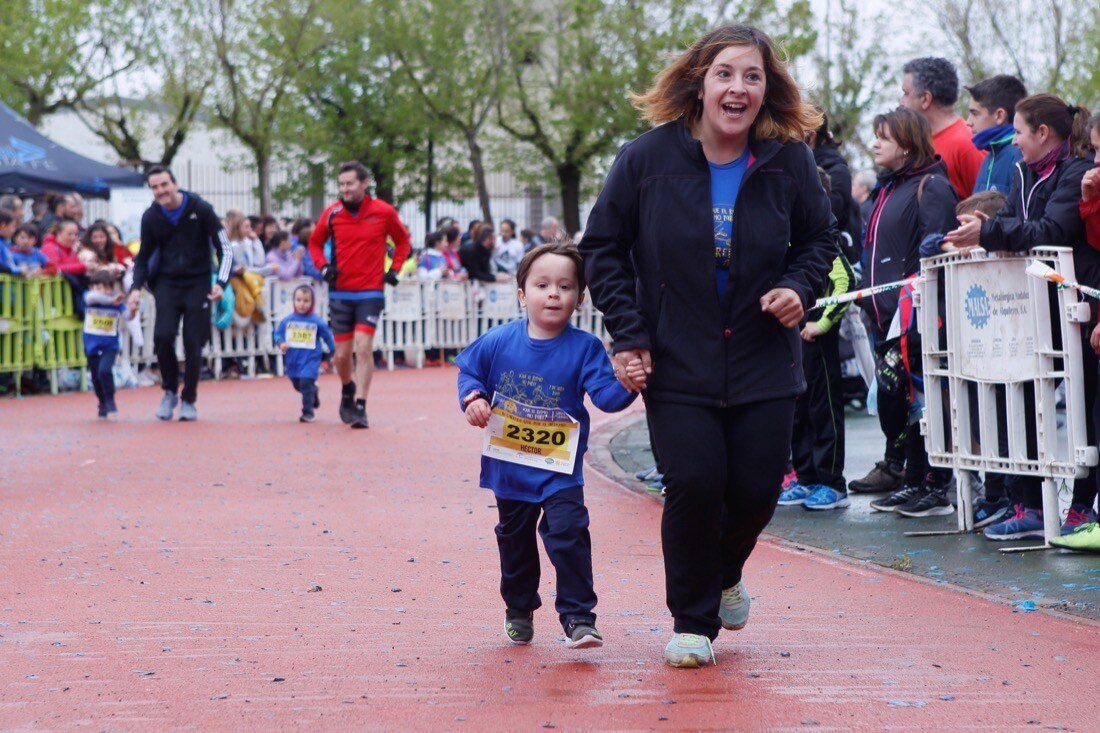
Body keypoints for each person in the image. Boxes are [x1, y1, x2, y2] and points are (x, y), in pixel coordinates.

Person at [579, 24, 835, 668]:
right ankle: (693, 621)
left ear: (767, 89)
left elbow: (818, 241)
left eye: (753, 76)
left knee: (755, 491)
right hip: (677, 354)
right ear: (700, 82)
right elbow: (603, 249)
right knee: (694, 483)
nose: (739, 88)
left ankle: (724, 575)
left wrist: (797, 286)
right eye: (726, 73)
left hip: (762, 354)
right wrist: (629, 333)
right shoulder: (646, 158)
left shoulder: (788, 159)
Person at [456, 241, 638, 650]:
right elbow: (469, 374)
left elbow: (607, 397)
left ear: (579, 298)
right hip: (510, 470)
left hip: (560, 468)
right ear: (522, 294)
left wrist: (630, 384)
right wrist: (473, 400)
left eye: (565, 286)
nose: (553, 293)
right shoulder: (499, 341)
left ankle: (578, 616)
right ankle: (519, 608)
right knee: (515, 542)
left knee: (569, 532)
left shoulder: (585, 347)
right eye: (542, 285)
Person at [944, 95, 1098, 540]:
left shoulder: (1071, 174)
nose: (1015, 140)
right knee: (1022, 402)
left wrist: (989, 232)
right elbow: (1013, 222)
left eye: (1019, 131)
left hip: (1075, 309)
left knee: (1086, 411)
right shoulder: (1020, 173)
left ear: (1043, 134)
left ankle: (1080, 507)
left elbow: (1051, 231)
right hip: (1027, 310)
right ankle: (1026, 502)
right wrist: (977, 237)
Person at [848, 108, 958, 514]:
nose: (875, 144)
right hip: (882, 317)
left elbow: (936, 248)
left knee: (921, 401)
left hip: (916, 317)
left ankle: (933, 484)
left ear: (908, 144)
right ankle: (912, 479)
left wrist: (914, 308)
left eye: (884, 137)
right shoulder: (886, 188)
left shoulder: (931, 187)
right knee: (899, 402)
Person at [307, 160, 411, 429]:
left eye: (350, 183)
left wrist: (394, 269)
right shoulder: (333, 213)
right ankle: (346, 387)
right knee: (341, 356)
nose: (345, 189)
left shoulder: (383, 212)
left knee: (363, 347)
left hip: (370, 290)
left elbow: (403, 241)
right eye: (342, 184)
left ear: (364, 184)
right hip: (341, 291)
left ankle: (362, 405)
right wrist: (323, 267)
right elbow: (314, 243)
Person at [127, 165, 234, 422]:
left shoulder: (201, 209)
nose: (160, 191)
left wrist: (221, 282)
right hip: (166, 283)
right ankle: (169, 391)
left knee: (192, 342)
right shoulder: (151, 217)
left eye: (164, 185)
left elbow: (226, 249)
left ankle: (190, 399)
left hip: (198, 282)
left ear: (175, 184)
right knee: (163, 337)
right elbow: (143, 258)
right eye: (154, 187)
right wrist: (135, 289)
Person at [779, 167, 855, 511]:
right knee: (798, 411)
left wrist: (822, 324)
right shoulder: (788, 233)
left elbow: (847, 282)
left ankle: (832, 483)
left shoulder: (824, 237)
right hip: (792, 339)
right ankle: (806, 478)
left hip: (817, 340)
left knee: (824, 411)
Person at [900, 57, 986, 198]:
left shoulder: (967, 144)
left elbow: (986, 206)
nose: (901, 102)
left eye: (906, 93)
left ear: (925, 99)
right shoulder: (916, 142)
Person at [274, 284, 335, 423]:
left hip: (311, 360)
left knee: (306, 382)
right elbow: (277, 334)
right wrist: (281, 342)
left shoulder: (316, 321)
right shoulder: (287, 320)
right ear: (293, 301)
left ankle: (308, 412)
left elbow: (327, 337)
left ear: (312, 302)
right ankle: (313, 392)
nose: (302, 304)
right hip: (293, 360)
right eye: (299, 300)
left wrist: (333, 353)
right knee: (298, 385)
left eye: (306, 301)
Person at [83, 269, 138, 419]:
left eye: (107, 288)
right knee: (95, 377)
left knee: (104, 371)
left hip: (110, 345)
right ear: (91, 288)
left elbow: (127, 315)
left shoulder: (116, 302)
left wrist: (132, 310)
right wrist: (110, 300)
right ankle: (102, 402)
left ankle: (110, 400)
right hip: (91, 346)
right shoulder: (89, 297)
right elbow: (91, 299)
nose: (103, 292)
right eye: (99, 288)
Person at [965, 75, 1027, 194]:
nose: (968, 122)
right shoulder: (990, 155)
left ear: (999, 116)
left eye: (975, 113)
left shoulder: (1019, 155)